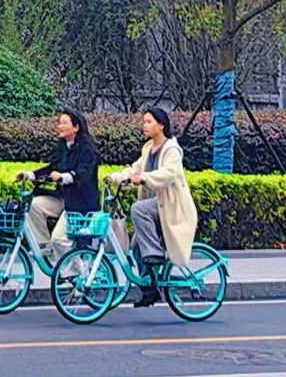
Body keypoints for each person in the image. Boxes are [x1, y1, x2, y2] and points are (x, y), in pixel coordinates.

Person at [115, 106, 196, 306]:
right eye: (143, 122)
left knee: (138, 209)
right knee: (134, 247)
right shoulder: (147, 148)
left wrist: (142, 178)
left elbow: (168, 175)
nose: (144, 125)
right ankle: (149, 289)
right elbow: (135, 169)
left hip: (171, 206)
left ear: (161, 125)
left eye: (149, 121)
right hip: (156, 206)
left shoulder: (171, 150)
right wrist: (116, 178)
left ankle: (154, 253)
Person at [16, 109, 97, 264]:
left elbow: (84, 174)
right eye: (59, 122)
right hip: (63, 198)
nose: (60, 126)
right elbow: (52, 167)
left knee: (59, 239)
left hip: (80, 204)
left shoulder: (87, 150)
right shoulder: (62, 147)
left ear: (76, 127)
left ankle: (75, 273)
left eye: (64, 123)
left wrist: (64, 177)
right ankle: (44, 247)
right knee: (35, 205)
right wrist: (29, 175)